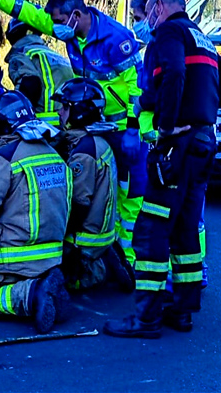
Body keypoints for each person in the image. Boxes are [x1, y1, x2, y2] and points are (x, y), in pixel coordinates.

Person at [104, 0, 221, 338]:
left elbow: (175, 73)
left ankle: (146, 319)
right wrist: (201, 110)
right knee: (185, 228)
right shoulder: (200, 36)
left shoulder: (169, 32)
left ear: (159, 7)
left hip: (178, 144)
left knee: (151, 229)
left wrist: (166, 124)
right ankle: (183, 311)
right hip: (203, 142)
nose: (145, 21)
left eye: (147, 12)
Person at [0, 0, 146, 265]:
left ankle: (130, 258)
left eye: (60, 22)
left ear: (76, 14)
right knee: (102, 185)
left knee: (127, 192)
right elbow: (31, 13)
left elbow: (138, 83)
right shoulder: (72, 32)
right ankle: (111, 250)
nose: (56, 29)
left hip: (121, 126)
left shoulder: (116, 38)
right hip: (94, 122)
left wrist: (133, 126)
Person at [0, 91, 71, 333]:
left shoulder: (4, 156)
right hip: (49, 253)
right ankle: (43, 286)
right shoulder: (52, 152)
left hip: (12, 254)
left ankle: (31, 294)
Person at [50, 78, 131, 291]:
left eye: (65, 107)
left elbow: (79, 203)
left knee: (53, 275)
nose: (59, 112)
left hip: (85, 239)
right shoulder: (96, 140)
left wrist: (60, 235)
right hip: (100, 233)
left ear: (80, 111)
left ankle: (100, 268)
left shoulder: (83, 153)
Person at [5, 19, 74, 126]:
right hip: (66, 124)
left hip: (43, 127)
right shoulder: (54, 55)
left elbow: (30, 85)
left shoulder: (21, 55)